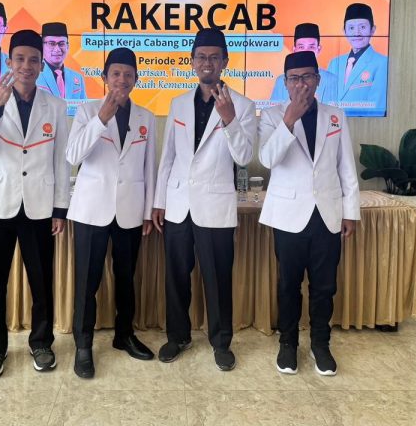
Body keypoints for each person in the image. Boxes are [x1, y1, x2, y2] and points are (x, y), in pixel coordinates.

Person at [152, 28, 256, 372]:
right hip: (178, 204)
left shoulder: (243, 106)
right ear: (192, 61)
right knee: (176, 277)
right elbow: (168, 156)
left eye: (214, 57)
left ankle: (221, 342)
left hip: (214, 206)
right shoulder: (178, 103)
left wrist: (229, 119)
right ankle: (177, 336)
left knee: (217, 278)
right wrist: (159, 201)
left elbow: (244, 156)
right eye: (201, 57)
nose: (207, 63)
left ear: (225, 61)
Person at [0, 29, 70, 379]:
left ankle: (41, 343)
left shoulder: (56, 106)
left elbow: (61, 161)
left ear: (42, 65)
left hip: (39, 206)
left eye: (33, 60)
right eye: (20, 59)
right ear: (9, 62)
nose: (26, 66)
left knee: (41, 282)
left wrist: (60, 209)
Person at [258, 51, 360, 376]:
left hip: (327, 213)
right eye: (294, 78)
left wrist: (350, 211)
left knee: (324, 286)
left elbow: (346, 167)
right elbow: (268, 159)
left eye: (306, 77)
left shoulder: (335, 116)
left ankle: (320, 344)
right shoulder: (272, 116)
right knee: (288, 284)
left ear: (317, 79)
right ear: (285, 83)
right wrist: (289, 120)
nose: (300, 84)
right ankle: (288, 344)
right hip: (288, 214)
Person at [66, 47, 157, 379]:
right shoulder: (87, 110)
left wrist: (147, 211)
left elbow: (149, 167)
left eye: (128, 74)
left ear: (136, 79)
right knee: (87, 282)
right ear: (104, 78)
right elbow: (73, 154)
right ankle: (83, 344)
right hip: (92, 210)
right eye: (115, 73)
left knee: (126, 278)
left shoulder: (146, 117)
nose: (122, 79)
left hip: (130, 210)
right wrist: (101, 119)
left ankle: (124, 335)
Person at [325, 3, 388, 116]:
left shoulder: (382, 62)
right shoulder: (334, 63)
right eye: (351, 28)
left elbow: (376, 110)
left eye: (362, 27)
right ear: (344, 31)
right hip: (333, 124)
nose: (356, 33)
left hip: (363, 125)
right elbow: (326, 102)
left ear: (372, 30)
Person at [270, 23, 337, 103]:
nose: (306, 52)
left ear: (318, 50)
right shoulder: (281, 81)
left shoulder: (331, 80)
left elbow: (334, 109)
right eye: (301, 47)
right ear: (294, 50)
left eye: (311, 47)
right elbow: (274, 109)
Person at [37, 22, 87, 103]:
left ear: (68, 47)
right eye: (51, 44)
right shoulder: (34, 75)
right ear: (42, 46)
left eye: (61, 44)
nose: (57, 49)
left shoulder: (77, 77)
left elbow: (85, 108)